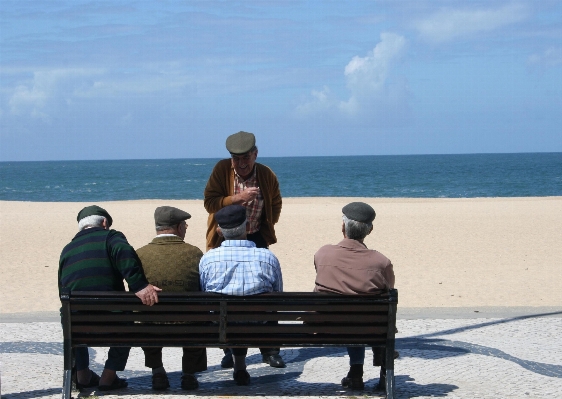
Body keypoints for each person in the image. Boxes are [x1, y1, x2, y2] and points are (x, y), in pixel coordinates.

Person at [203, 130, 284, 368]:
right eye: (236, 159)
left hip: (256, 236)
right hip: (225, 238)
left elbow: (276, 201)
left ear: (255, 154)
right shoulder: (221, 170)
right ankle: (231, 350)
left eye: (246, 157)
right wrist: (236, 199)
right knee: (226, 295)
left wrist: (268, 222)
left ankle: (269, 350)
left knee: (265, 295)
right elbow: (209, 202)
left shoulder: (266, 174)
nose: (241, 163)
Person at [58, 205, 161, 392]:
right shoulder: (111, 237)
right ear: (104, 222)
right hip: (113, 321)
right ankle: (107, 378)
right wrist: (139, 285)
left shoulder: (68, 250)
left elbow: (62, 290)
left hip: (77, 323)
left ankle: (82, 375)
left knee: (68, 316)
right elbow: (125, 253)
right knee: (128, 321)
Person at [313, 202, 395, 391]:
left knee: (350, 314)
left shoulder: (322, 254)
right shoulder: (381, 262)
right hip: (369, 328)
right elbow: (389, 290)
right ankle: (381, 372)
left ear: (343, 226)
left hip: (326, 327)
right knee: (368, 317)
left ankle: (356, 372)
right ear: (370, 230)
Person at [199, 205, 283, 386]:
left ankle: (237, 363)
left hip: (222, 325)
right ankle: (263, 354)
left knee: (228, 314)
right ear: (246, 227)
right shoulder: (267, 257)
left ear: (220, 231)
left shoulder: (208, 259)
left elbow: (204, 293)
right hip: (259, 324)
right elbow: (278, 295)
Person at [136, 206, 207, 391]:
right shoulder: (195, 253)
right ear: (178, 227)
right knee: (199, 316)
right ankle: (189, 374)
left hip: (151, 326)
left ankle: (158, 371)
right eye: (185, 225)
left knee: (144, 315)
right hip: (188, 326)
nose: (185, 228)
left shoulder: (140, 254)